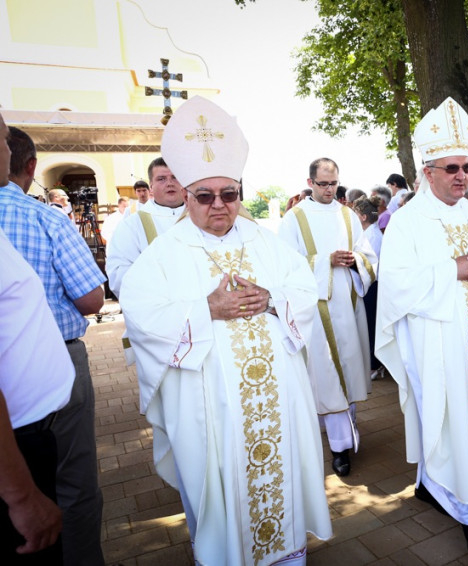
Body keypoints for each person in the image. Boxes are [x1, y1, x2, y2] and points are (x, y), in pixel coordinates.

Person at [121, 96, 332, 565]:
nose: (219, 205)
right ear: (187, 195)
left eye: (229, 194)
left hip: (277, 402)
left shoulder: (265, 242)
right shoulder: (163, 253)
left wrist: (273, 299)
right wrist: (206, 309)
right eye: (205, 196)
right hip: (209, 406)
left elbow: (303, 289)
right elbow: (142, 315)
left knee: (280, 480)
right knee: (222, 487)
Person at [377, 97, 468, 561]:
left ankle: (437, 488)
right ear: (428, 172)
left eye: (467, 168)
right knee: (450, 421)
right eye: (452, 168)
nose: (463, 176)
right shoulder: (407, 222)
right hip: (437, 344)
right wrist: (451, 270)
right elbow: (395, 285)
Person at [0, 118, 106, 566]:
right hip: (54, 373)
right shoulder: (44, 217)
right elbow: (91, 299)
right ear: (31, 166)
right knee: (74, 482)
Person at [278, 158, 377, 477]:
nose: (329, 189)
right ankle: (340, 445)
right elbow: (284, 264)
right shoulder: (294, 218)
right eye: (322, 184)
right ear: (310, 183)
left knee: (347, 370)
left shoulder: (348, 215)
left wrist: (355, 260)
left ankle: (345, 428)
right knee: (328, 376)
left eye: (333, 183)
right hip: (316, 310)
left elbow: (369, 255)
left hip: (348, 304)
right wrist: (325, 261)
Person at [0, 131, 73, 564]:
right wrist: (22, 495)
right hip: (15, 447)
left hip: (29, 433)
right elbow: (91, 298)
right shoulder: (44, 216)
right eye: (2, 137)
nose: (6, 148)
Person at [106, 156, 186, 297]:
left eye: (175, 177)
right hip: (157, 304)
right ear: (151, 187)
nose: (169, 183)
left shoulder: (202, 218)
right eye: (161, 179)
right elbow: (119, 277)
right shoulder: (132, 225)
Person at [353, 196, 384, 379]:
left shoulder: (372, 236)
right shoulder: (369, 233)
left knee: (371, 324)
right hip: (370, 283)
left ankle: (374, 364)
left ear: (363, 217)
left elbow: (367, 263)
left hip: (373, 284)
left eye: (355, 214)